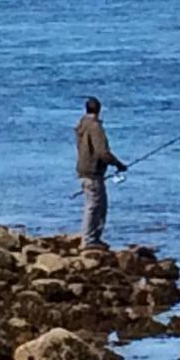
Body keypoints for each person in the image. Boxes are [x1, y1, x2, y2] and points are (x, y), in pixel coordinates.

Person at [75, 97, 127, 249]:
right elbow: (102, 152)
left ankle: (91, 238)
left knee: (93, 206)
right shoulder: (95, 127)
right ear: (98, 110)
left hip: (83, 171)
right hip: (93, 173)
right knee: (95, 207)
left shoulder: (82, 125)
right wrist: (118, 164)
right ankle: (89, 240)